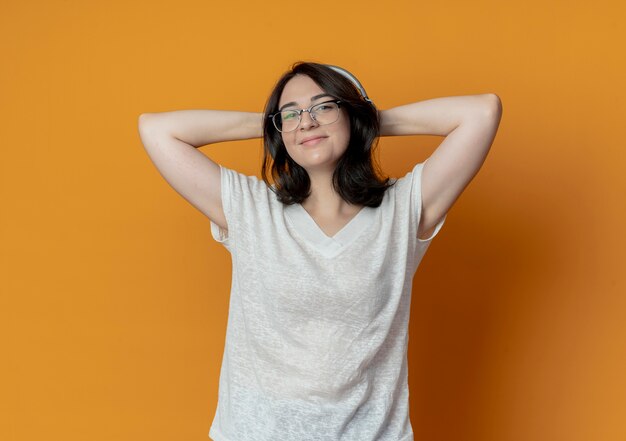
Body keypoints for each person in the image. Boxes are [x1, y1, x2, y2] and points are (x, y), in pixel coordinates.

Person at [138, 61, 502, 441]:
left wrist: (364, 119)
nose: (306, 122)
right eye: (290, 113)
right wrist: (274, 125)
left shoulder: (403, 209)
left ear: (351, 112)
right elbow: (157, 129)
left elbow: (482, 111)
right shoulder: (251, 209)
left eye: (324, 106)